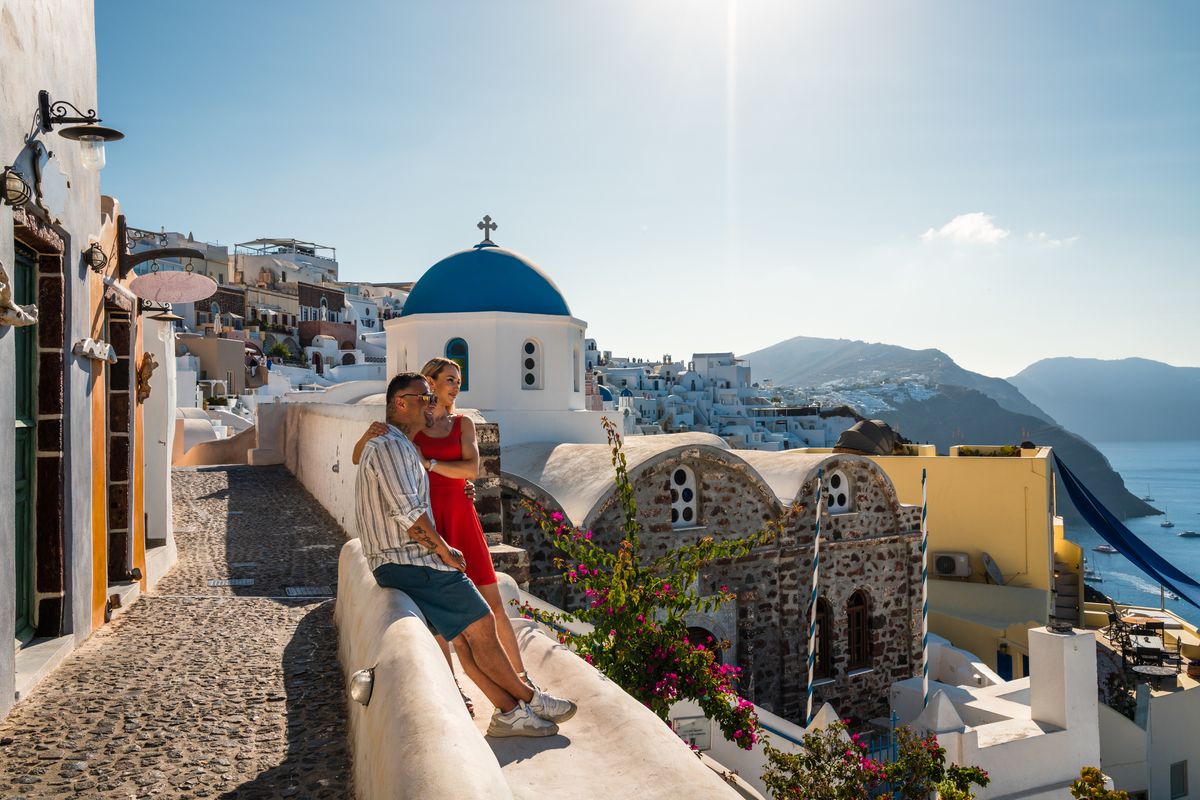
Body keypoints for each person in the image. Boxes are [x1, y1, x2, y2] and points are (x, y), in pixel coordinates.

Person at [355, 372, 576, 737]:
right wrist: (445, 551)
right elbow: (409, 515)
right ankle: (529, 698)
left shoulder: (398, 445)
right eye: (423, 397)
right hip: (410, 560)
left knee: (464, 637)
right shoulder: (392, 446)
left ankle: (508, 712)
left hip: (402, 560)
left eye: (431, 397)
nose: (431, 403)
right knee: (483, 624)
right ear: (400, 403)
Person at [353, 358, 532, 699]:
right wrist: (365, 436)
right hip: (425, 519)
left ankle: (522, 680)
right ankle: (458, 691)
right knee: (444, 620)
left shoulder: (460, 423)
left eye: (458, 380)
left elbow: (472, 469)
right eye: (448, 380)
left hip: (455, 513)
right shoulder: (407, 429)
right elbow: (365, 458)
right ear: (429, 384)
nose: (455, 387)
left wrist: (432, 465)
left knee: (491, 604)